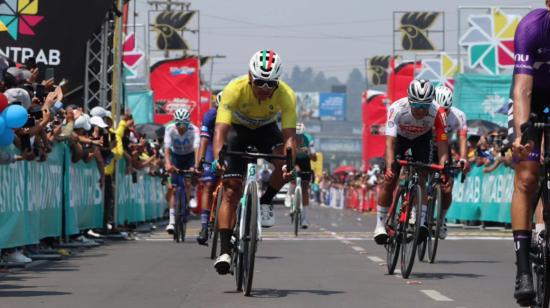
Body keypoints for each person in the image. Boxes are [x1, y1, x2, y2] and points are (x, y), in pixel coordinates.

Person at [211, 49, 297, 274]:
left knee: (285, 161)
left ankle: (266, 200)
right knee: (231, 190)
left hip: (266, 130)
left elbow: (289, 136)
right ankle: (225, 251)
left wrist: (289, 163)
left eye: (271, 84)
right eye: (260, 82)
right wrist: (219, 158)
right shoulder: (234, 89)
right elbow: (220, 130)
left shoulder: (287, 95)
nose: (265, 89)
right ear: (250, 77)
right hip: (237, 132)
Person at [509, 2, 550, 305]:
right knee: (526, 175)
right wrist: (523, 135)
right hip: (532, 99)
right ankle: (523, 268)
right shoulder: (532, 26)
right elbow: (522, 89)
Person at [373, 79, 449, 245]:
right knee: (390, 179)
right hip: (399, 139)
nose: (421, 110)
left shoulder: (438, 112)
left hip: (422, 139)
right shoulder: (396, 108)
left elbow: (443, 143)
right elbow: (389, 142)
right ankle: (380, 225)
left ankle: (420, 221)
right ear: (409, 101)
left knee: (422, 175)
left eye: (425, 106)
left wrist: (444, 168)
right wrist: (390, 165)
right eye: (416, 106)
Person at [433, 86, 470, 239]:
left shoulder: (459, 115)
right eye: (441, 109)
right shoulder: (429, 112)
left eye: (446, 110)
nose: (444, 113)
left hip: (443, 147)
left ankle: (441, 220)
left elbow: (462, 138)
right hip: (426, 145)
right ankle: (415, 211)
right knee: (418, 174)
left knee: (447, 187)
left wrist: (463, 158)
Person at [164, 108, 199, 234]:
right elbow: (167, 149)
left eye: (184, 124)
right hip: (176, 156)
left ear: (188, 123)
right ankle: (172, 221)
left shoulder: (194, 130)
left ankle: (192, 195)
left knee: (189, 180)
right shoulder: (169, 129)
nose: (181, 127)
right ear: (175, 123)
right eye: (178, 124)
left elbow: (197, 149)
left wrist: (195, 165)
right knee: (173, 188)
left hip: (189, 156)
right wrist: (168, 164)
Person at [195, 92, 221, 245]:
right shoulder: (210, 116)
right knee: (208, 184)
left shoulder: (237, 115)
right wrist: (200, 162)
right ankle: (204, 226)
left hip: (229, 145)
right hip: (212, 145)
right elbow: (204, 140)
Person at [290, 122, 317, 228]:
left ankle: (305, 218)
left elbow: (315, 158)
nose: (299, 138)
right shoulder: (291, 138)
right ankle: (290, 194)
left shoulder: (309, 139)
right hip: (294, 159)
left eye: (300, 135)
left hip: (305, 161)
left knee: (305, 188)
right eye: (297, 135)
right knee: (292, 174)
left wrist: (309, 152)